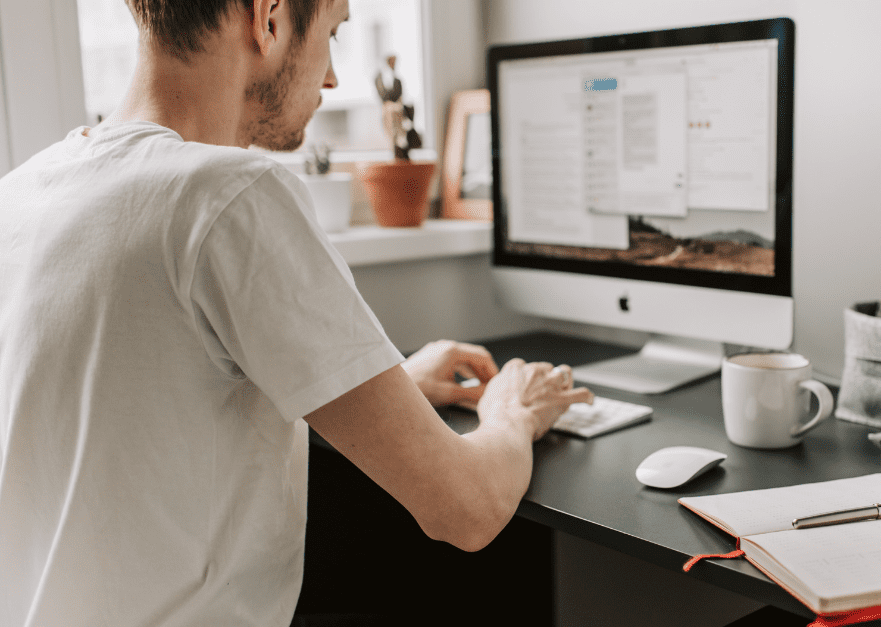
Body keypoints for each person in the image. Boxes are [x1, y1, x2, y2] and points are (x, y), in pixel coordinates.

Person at [0, 1, 591, 625]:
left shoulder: (21, 196)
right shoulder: (230, 194)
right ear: (269, 18)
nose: (333, 77)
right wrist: (512, 413)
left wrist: (392, 387)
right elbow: (467, 510)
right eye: (333, 33)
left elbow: (143, 419)